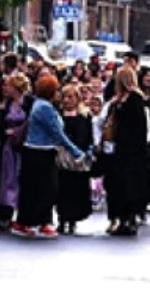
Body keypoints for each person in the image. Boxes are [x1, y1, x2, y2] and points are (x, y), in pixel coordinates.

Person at [14, 75, 85, 238]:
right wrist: (75, 151)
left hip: (37, 151)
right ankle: (38, 222)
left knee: (35, 189)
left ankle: (31, 221)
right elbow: (57, 132)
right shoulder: (45, 108)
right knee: (47, 189)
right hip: (40, 152)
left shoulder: (40, 105)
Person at [103, 67, 150, 236]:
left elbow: (140, 128)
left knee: (130, 186)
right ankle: (120, 217)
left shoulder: (136, 99)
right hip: (119, 150)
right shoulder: (117, 101)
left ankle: (129, 219)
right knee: (117, 186)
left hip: (132, 151)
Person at [55, 84, 94, 235]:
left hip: (79, 157)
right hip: (62, 158)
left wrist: (86, 152)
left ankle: (73, 220)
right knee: (62, 189)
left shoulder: (84, 115)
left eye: (70, 97)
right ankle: (62, 219)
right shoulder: (58, 115)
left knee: (76, 190)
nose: (67, 100)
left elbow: (88, 136)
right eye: (65, 97)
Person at [0, 74, 31, 233]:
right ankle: (8, 212)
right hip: (9, 146)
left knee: (23, 177)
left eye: (9, 86)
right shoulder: (9, 103)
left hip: (24, 146)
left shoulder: (29, 102)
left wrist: (19, 131)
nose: (6, 89)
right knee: (9, 178)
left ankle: (23, 214)